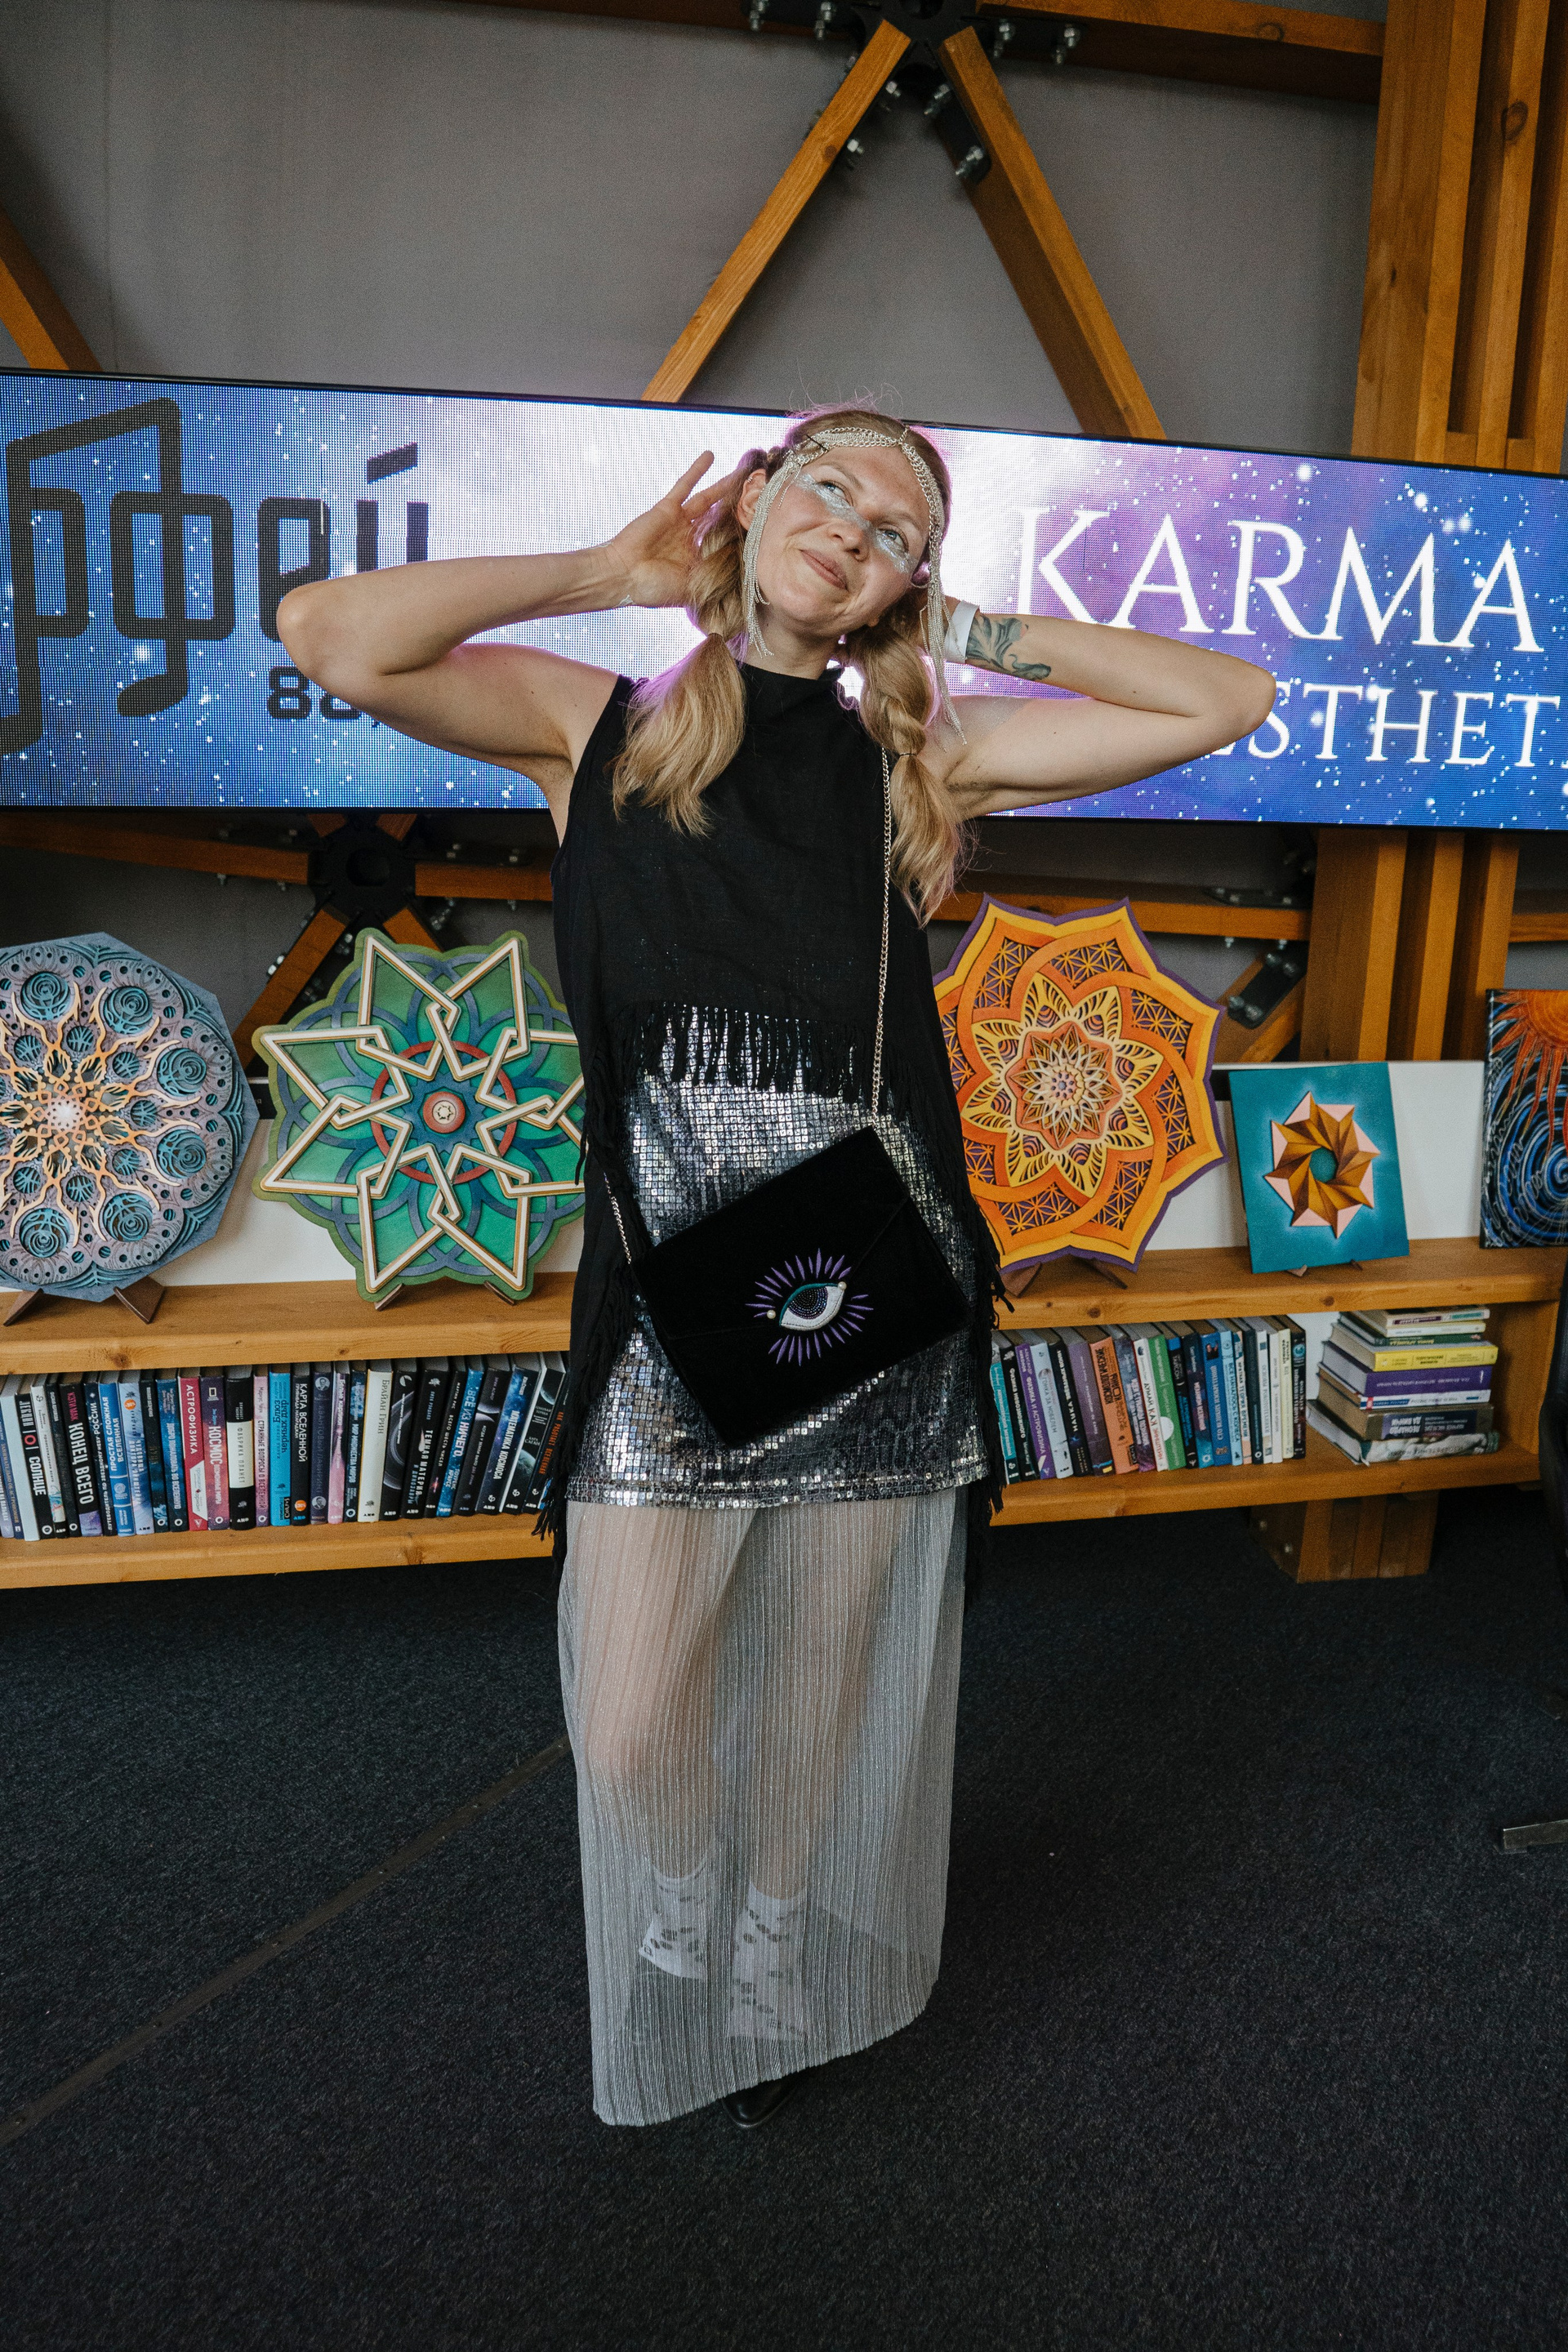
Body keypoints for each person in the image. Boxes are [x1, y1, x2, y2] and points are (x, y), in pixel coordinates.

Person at [278, 406, 1272, 2132]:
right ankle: (678, 1896)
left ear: (903, 587)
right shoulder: (594, 726)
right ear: (752, 502)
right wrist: (610, 570)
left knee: (817, 1687)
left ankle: (777, 1930)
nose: (854, 532)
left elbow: (1223, 701)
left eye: (896, 531)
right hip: (672, 1296)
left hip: (866, 1282)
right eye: (829, 488)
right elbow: (330, 633)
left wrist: (960, 625)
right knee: (633, 1712)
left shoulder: (921, 757)